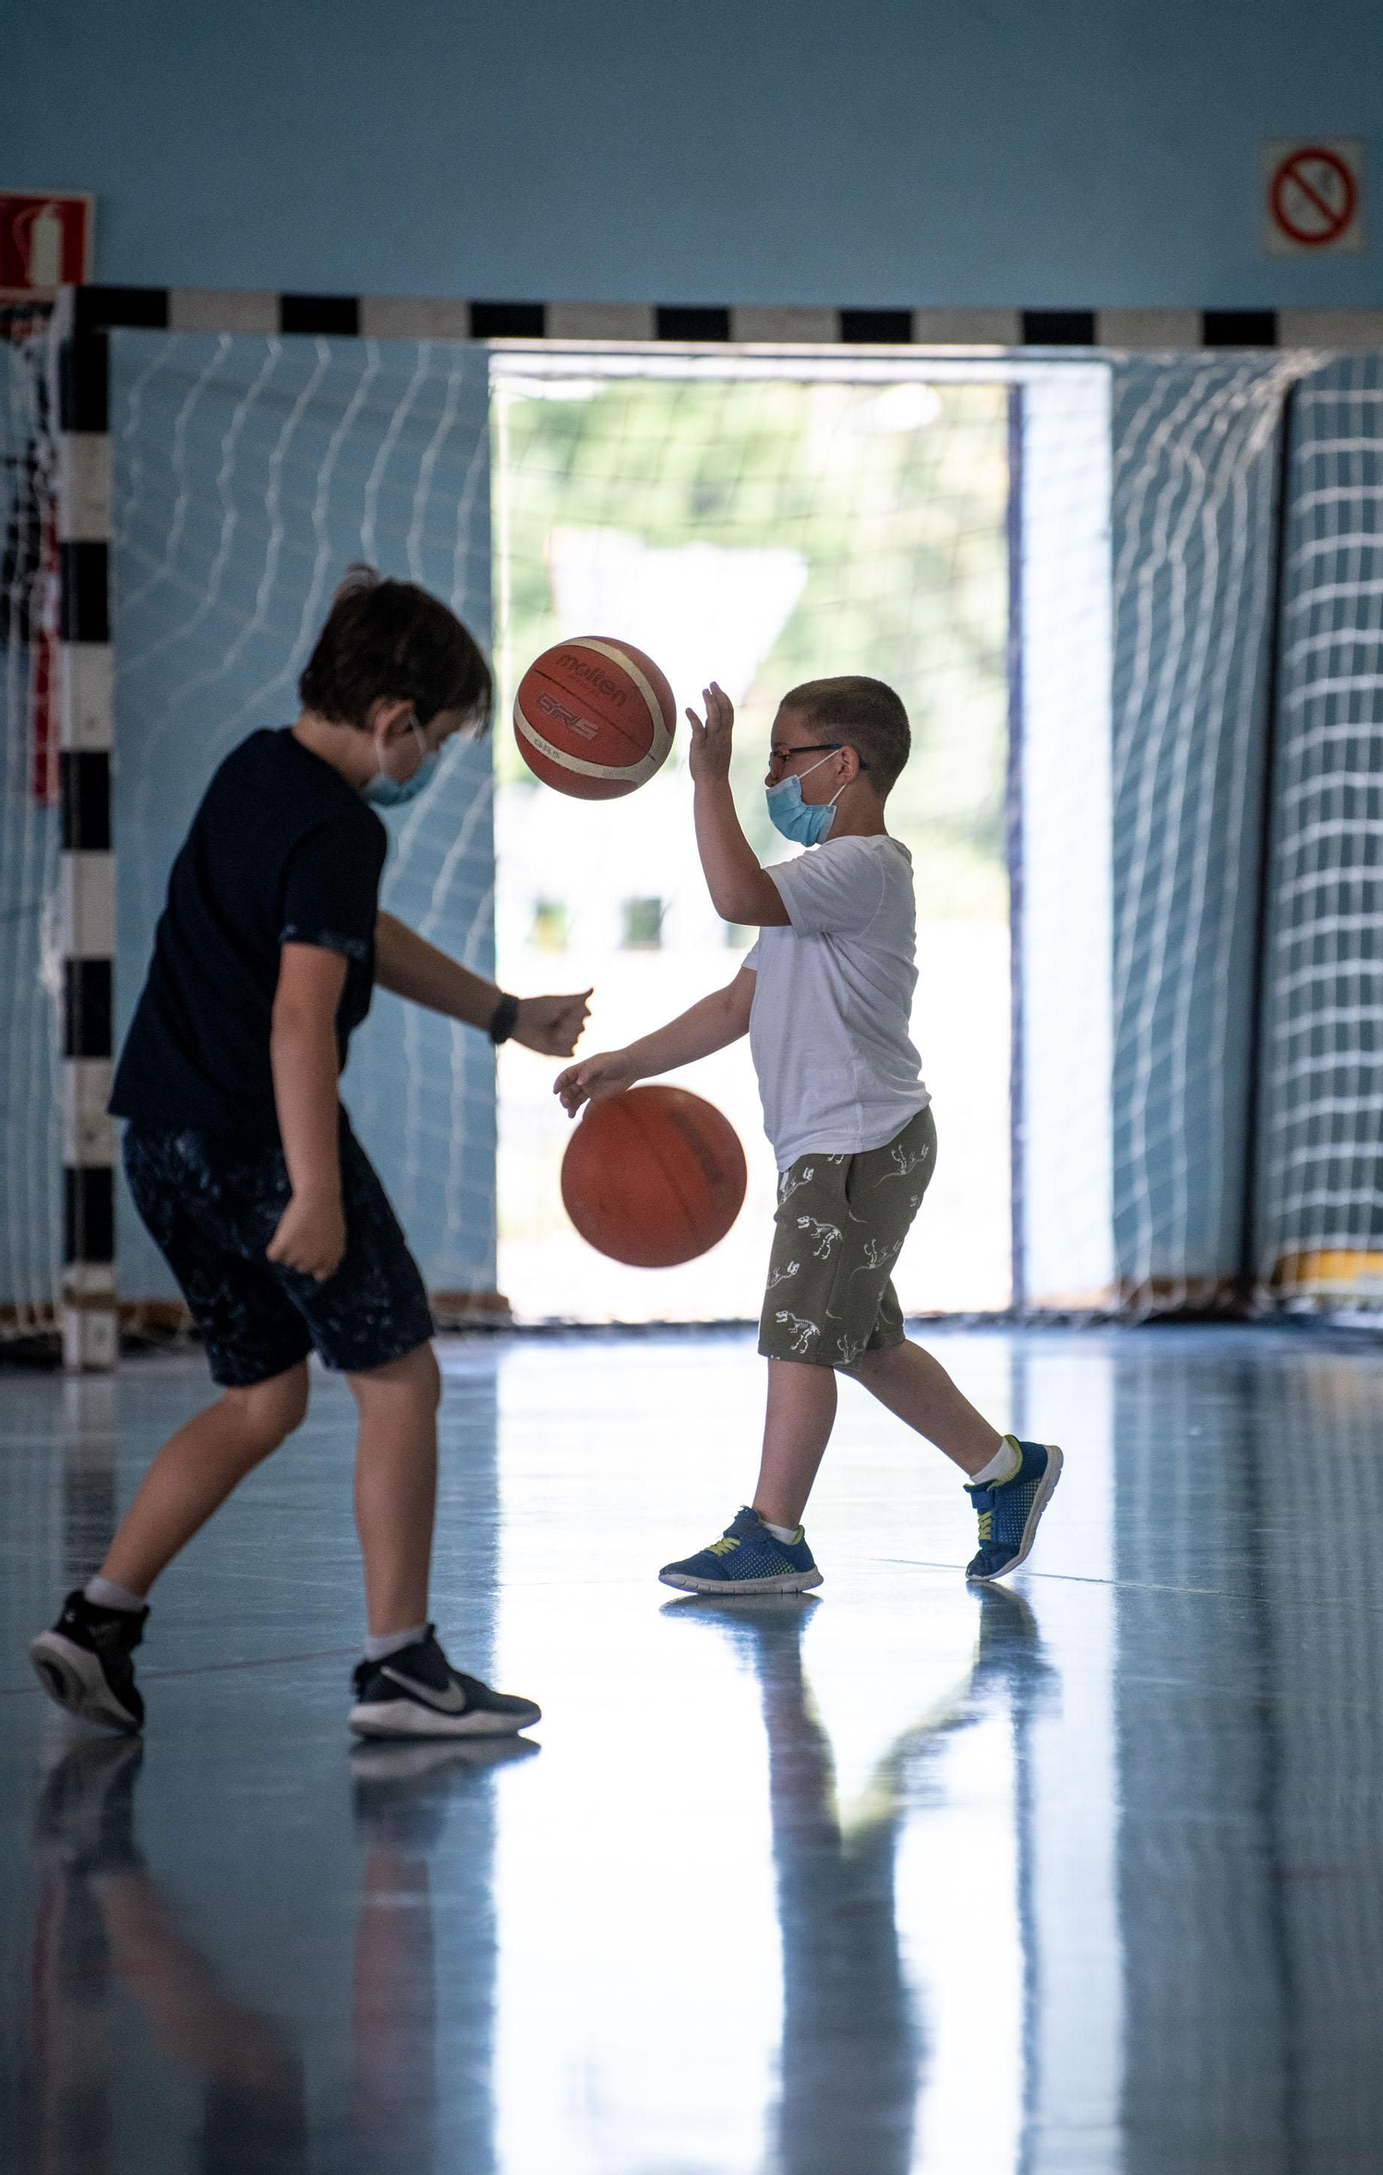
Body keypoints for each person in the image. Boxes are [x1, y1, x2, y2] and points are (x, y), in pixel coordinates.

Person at [31, 568, 586, 1739]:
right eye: (441, 739)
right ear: (394, 720)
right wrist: (317, 1189)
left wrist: (502, 1013)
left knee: (263, 1396)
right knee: (401, 1380)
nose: (431, 762)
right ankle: (400, 1668)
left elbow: (353, 936)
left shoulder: (254, 770)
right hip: (261, 1146)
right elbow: (299, 1017)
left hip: (163, 1141)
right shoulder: (340, 827)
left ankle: (98, 1619)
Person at [555, 675, 1061, 1595]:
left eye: (784, 757)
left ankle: (774, 1533)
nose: (770, 778)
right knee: (863, 1344)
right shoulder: (816, 887)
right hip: (844, 1144)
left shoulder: (864, 868)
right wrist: (627, 1063)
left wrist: (706, 779)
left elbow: (733, 893)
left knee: (798, 1336)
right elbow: (735, 1004)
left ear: (843, 764)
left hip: (857, 1143)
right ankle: (1006, 1471)